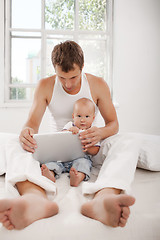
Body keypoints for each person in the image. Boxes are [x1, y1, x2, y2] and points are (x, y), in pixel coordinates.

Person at [0, 40, 136, 230]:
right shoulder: (45, 85)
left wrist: (99, 132)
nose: (68, 84)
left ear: (82, 67)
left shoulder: (97, 84)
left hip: (90, 148)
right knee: (14, 143)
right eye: (62, 77)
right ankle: (35, 199)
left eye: (73, 77)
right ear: (55, 69)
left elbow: (113, 124)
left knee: (129, 141)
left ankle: (104, 198)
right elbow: (32, 124)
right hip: (57, 150)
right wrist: (26, 132)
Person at [41, 97, 100, 187]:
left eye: (87, 116)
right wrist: (69, 131)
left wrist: (88, 147)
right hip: (63, 158)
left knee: (84, 164)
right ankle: (50, 174)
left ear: (93, 118)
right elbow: (60, 137)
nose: (82, 120)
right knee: (52, 162)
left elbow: (96, 150)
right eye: (79, 116)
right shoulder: (70, 125)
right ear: (73, 117)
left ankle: (77, 177)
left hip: (80, 158)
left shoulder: (92, 131)